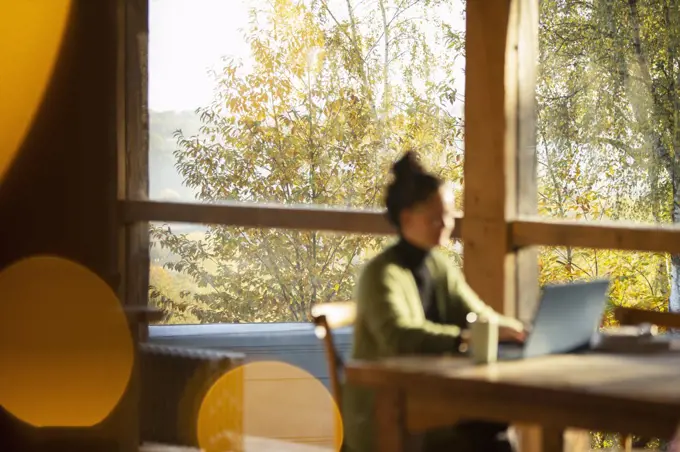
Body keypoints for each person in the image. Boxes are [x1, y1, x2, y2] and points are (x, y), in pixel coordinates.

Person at [342, 151, 526, 452]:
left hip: (427, 399)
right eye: (436, 217)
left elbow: (477, 313)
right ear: (406, 219)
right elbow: (399, 336)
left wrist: (518, 329)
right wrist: (465, 339)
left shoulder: (439, 266)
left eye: (451, 214)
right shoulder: (381, 274)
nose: (447, 223)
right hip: (385, 414)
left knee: (495, 426)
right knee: (488, 435)